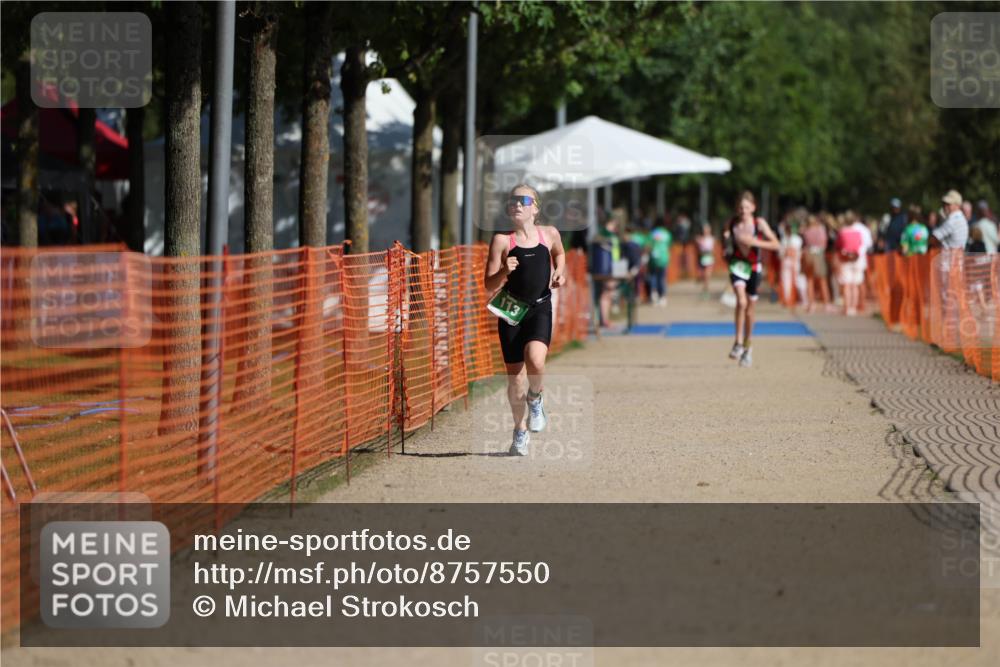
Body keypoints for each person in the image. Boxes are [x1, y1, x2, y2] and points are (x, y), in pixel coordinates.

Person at [484, 184, 566, 456]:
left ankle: (536, 397)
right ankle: (520, 431)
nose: (517, 204)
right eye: (512, 200)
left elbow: (559, 254)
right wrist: (504, 271)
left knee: (536, 360)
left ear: (535, 208)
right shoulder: (501, 241)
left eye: (523, 199)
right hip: (510, 311)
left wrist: (560, 273)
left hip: (540, 307)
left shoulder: (549, 234)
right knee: (515, 379)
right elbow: (488, 284)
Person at [723, 191, 780, 367]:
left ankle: (748, 346)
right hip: (738, 266)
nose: (743, 210)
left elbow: (776, 244)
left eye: (747, 207)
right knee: (740, 302)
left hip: (755, 267)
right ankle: (738, 342)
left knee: (750, 309)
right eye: (740, 207)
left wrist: (754, 242)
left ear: (753, 208)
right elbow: (725, 238)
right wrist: (726, 241)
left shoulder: (759, 223)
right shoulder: (732, 222)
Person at [835, 213, 872, 316]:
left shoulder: (843, 232)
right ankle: (853, 307)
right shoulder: (858, 232)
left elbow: (838, 245)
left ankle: (847, 307)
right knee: (855, 285)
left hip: (845, 259)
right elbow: (861, 245)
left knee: (847, 285)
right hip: (857, 259)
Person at [801, 214, 831, 312]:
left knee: (810, 281)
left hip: (809, 254)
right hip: (818, 254)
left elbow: (805, 243)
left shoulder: (806, 231)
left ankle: (811, 304)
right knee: (822, 280)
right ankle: (826, 304)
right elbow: (824, 243)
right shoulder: (820, 229)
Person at [647, 220, 672, 305]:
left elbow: (649, 245)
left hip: (654, 258)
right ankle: (663, 296)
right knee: (662, 278)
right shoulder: (667, 234)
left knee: (653, 277)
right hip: (664, 258)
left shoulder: (652, 233)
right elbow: (669, 245)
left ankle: (654, 294)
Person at [694, 223, 716, 296]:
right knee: (703, 275)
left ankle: (706, 289)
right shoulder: (699, 238)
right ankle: (705, 287)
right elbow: (697, 249)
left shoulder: (712, 238)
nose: (705, 231)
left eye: (707, 230)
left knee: (707, 274)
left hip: (709, 258)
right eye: (704, 230)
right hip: (701, 258)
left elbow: (713, 250)